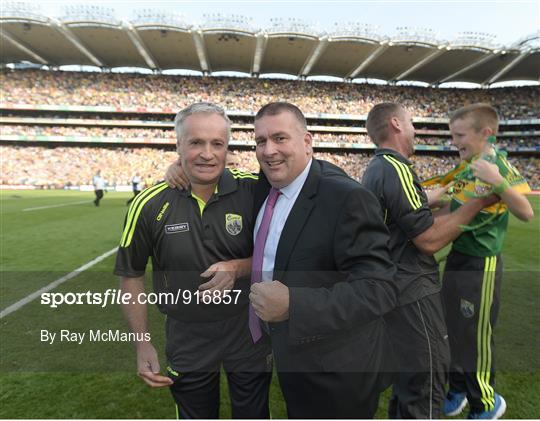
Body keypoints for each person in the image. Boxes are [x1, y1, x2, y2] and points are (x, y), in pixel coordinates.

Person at [114, 102, 272, 419]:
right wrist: (142, 344)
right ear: (178, 146)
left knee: (253, 414)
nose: (207, 153)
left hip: (249, 327)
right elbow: (130, 275)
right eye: (196, 142)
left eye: (217, 144)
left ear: (228, 148)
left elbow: (283, 251)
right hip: (187, 334)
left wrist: (237, 267)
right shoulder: (148, 203)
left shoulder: (255, 189)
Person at [248, 102, 398, 418]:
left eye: (280, 138)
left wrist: (294, 305)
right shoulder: (268, 184)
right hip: (295, 360)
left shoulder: (345, 197)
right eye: (260, 141)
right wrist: (181, 167)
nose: (269, 150)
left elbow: (379, 288)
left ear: (307, 141)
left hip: (337, 372)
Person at [362, 102, 498, 419]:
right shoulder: (396, 169)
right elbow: (428, 240)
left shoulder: (379, 168)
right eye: (411, 123)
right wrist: (481, 200)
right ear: (396, 124)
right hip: (412, 294)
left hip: (395, 291)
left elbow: (412, 213)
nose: (414, 130)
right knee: (426, 382)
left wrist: (452, 195)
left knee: (408, 385)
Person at [441, 103, 533, 419]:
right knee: (451, 328)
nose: (454, 142)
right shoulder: (466, 168)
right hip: (456, 259)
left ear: (486, 134)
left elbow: (525, 211)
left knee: (475, 336)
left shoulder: (500, 169)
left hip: (481, 266)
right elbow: (451, 209)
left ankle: (486, 401)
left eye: (459, 135)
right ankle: (456, 389)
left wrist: (497, 181)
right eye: (453, 135)